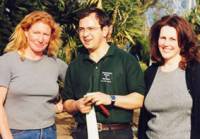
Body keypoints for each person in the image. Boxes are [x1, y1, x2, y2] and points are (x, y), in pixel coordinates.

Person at [61, 7, 145, 139]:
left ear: (105, 30)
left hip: (117, 133)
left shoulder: (126, 60)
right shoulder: (75, 65)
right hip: (83, 133)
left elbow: (139, 99)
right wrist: (77, 105)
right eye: (81, 29)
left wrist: (110, 99)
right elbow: (67, 102)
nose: (85, 34)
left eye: (91, 29)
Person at [0, 11, 67, 139]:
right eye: (36, 33)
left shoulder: (55, 63)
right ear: (26, 32)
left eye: (45, 34)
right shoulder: (7, 61)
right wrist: (7, 136)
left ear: (51, 37)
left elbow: (77, 82)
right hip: (17, 133)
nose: (41, 39)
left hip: (49, 132)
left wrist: (63, 105)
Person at [138, 15, 200, 139]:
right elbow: (143, 120)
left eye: (172, 39)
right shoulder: (150, 73)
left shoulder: (195, 71)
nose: (166, 43)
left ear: (182, 42)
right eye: (163, 38)